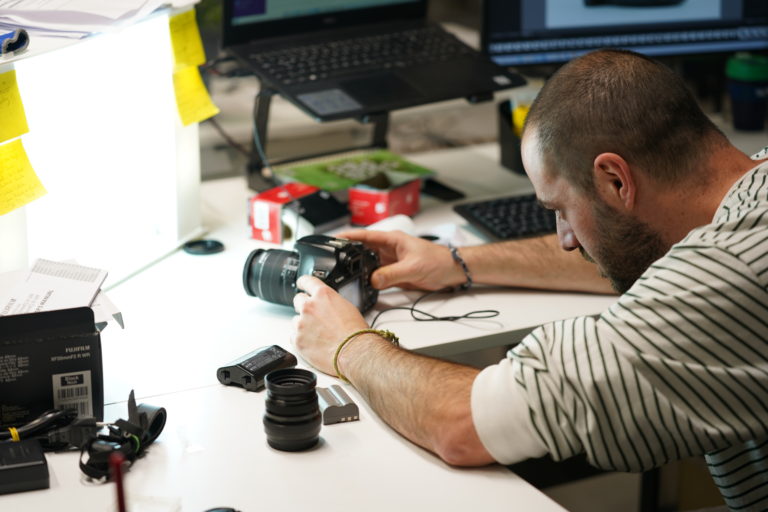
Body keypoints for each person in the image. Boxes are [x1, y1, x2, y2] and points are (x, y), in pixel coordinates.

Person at [290, 49, 768, 511]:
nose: (565, 241)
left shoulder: (729, 274)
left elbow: (462, 425)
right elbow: (647, 247)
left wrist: (348, 343)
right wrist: (455, 261)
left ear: (615, 180)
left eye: (560, 210)